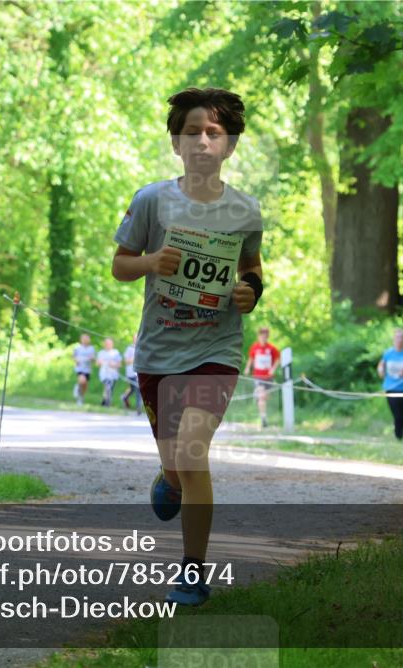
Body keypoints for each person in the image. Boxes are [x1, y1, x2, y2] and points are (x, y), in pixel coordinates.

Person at [112, 87, 263, 606]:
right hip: (159, 353)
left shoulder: (245, 209)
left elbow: (252, 272)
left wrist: (250, 293)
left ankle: (192, 573)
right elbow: (120, 266)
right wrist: (152, 263)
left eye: (214, 133)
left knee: (195, 456)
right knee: (179, 464)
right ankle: (168, 476)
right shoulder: (152, 200)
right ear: (176, 142)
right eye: (192, 132)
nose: (202, 141)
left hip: (216, 351)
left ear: (230, 145)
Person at [377, 328, 403, 441]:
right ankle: (398, 436)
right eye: (397, 337)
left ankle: (400, 433)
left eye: (402, 338)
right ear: (394, 339)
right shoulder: (388, 353)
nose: (399, 340)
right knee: (397, 415)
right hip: (391, 388)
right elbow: (381, 365)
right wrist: (381, 370)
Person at [243, 326, 280, 428]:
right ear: (258, 336)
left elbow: (277, 359)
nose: (263, 337)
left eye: (265, 336)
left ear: (267, 336)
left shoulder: (271, 348)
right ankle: (263, 417)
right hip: (258, 376)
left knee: (265, 397)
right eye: (261, 335)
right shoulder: (254, 347)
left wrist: (273, 369)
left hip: (268, 377)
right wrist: (247, 368)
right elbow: (251, 358)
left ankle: (259, 398)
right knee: (262, 397)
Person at [96, 337, 123, 407]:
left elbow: (120, 364)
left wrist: (113, 364)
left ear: (112, 344)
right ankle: (108, 404)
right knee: (107, 386)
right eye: (106, 343)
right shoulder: (101, 353)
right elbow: (97, 363)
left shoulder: (116, 352)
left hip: (113, 374)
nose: (108, 344)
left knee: (109, 388)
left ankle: (104, 401)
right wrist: (102, 362)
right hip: (104, 374)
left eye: (109, 343)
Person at [121, 334, 143, 414]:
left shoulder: (142, 348)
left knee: (137, 389)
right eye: (135, 338)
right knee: (133, 389)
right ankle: (124, 397)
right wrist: (135, 358)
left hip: (139, 373)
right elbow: (126, 361)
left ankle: (139, 408)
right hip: (131, 373)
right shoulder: (129, 349)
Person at [72, 333, 95, 406]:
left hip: (87, 369)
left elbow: (93, 359)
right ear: (81, 339)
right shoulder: (77, 347)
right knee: (82, 380)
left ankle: (81, 397)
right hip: (80, 368)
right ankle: (77, 387)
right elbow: (74, 357)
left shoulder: (91, 348)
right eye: (83, 338)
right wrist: (76, 360)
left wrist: (91, 359)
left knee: (85, 385)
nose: (85, 340)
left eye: (86, 338)